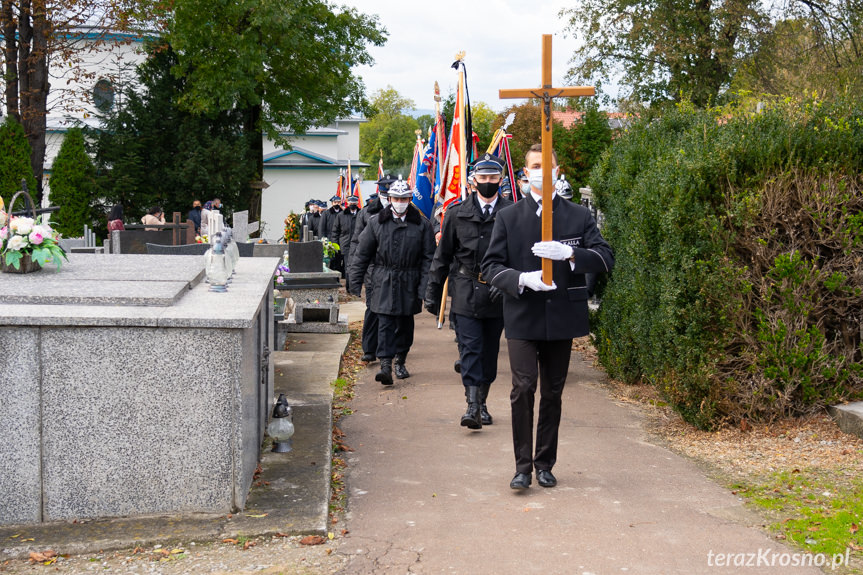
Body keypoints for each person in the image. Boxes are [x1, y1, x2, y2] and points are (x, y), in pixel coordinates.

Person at [481, 143, 614, 490]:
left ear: (558, 170)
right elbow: (490, 266)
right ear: (525, 173)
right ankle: (522, 466)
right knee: (523, 388)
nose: (542, 170)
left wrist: (571, 253)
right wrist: (522, 279)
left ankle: (545, 462)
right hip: (523, 315)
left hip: (561, 316)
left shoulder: (578, 216)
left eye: (548, 164)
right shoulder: (508, 216)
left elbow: (605, 258)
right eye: (535, 165)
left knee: (553, 392)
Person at [425, 153, 512, 430]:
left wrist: (509, 282)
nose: (488, 182)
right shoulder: (456, 214)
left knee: (488, 353)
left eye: (493, 178)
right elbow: (442, 257)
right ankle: (472, 406)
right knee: (471, 349)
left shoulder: (511, 214)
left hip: (497, 294)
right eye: (483, 178)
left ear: (501, 180)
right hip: (464, 291)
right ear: (473, 181)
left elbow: (519, 256)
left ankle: (483, 403)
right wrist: (433, 293)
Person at [349, 178, 435, 386]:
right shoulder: (376, 222)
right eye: (396, 198)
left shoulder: (421, 225)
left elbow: (429, 259)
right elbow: (362, 254)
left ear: (410, 199)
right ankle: (385, 365)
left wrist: (426, 288)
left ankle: (401, 360)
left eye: (404, 198)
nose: (400, 202)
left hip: (409, 280)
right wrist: (354, 281)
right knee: (385, 323)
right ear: (389, 199)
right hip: (383, 279)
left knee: (405, 325)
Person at [351, 178, 393, 363]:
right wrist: (354, 273)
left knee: (394, 311)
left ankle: (393, 350)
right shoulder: (366, 212)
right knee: (373, 309)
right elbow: (357, 243)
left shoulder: (406, 210)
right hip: (373, 269)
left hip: (397, 269)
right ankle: (369, 349)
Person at [331, 194, 361, 291]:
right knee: (348, 267)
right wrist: (336, 246)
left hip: (359, 244)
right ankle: (350, 288)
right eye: (350, 202)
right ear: (347, 203)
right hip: (346, 245)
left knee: (358, 267)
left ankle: (357, 288)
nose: (352, 204)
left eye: (354, 203)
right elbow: (335, 232)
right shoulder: (341, 215)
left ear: (357, 203)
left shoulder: (361, 214)